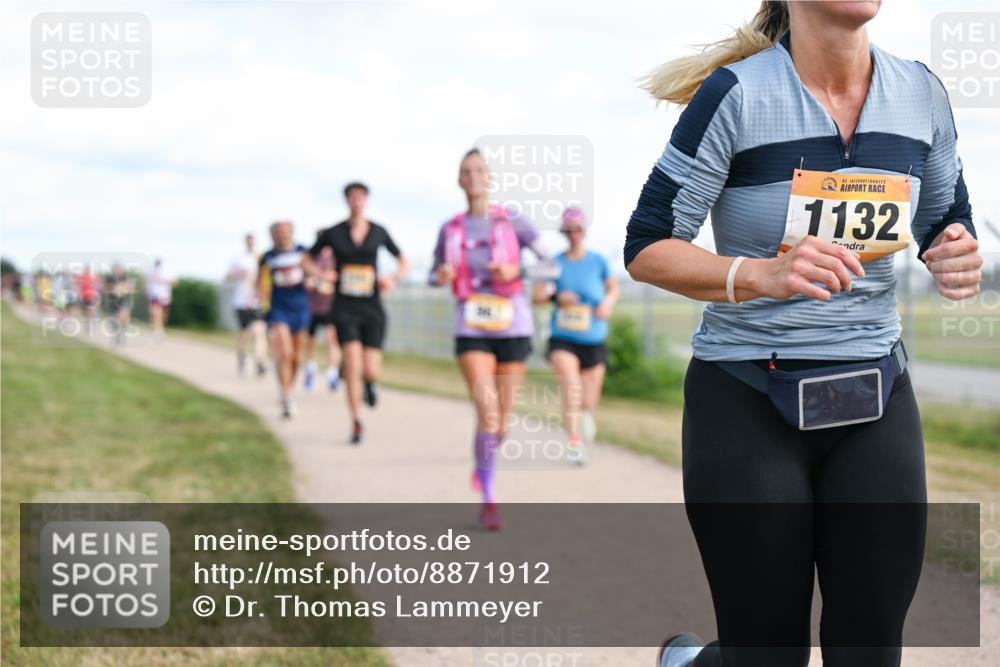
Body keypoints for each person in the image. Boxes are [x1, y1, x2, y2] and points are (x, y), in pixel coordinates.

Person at [625, 3, 982, 667]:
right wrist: (762, 272)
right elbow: (648, 245)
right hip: (745, 395)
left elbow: (944, 216)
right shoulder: (736, 95)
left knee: (869, 651)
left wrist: (954, 246)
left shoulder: (920, 93)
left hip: (873, 392)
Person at [430, 148, 548, 530]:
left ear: (490, 178)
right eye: (467, 171)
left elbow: (551, 263)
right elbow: (435, 272)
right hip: (472, 325)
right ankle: (490, 498)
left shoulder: (512, 220)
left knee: (501, 423)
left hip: (513, 325)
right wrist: (441, 277)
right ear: (460, 181)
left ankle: (482, 463)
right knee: (488, 411)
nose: (474, 176)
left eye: (480, 170)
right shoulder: (450, 228)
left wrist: (516, 268)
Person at [311, 182, 407, 444]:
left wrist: (394, 278)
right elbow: (307, 259)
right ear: (346, 200)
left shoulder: (378, 231)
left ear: (366, 200)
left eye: (361, 196)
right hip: (344, 307)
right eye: (352, 197)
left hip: (372, 307)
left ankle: (370, 384)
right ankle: (356, 422)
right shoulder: (334, 232)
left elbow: (402, 258)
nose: (356, 201)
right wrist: (322, 276)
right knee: (352, 365)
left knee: (370, 368)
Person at [532, 207, 618, 465]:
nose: (573, 234)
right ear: (563, 232)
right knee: (571, 389)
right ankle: (574, 443)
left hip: (594, 339)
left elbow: (612, 290)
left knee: (589, 399)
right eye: (568, 230)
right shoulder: (553, 263)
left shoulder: (599, 261)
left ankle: (586, 414)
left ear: (584, 231)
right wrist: (557, 296)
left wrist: (607, 303)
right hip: (562, 338)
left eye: (577, 229)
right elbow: (536, 297)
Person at [258, 221, 325, 419]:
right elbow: (260, 282)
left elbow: (316, 273)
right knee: (285, 352)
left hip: (301, 307)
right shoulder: (267, 257)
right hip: (279, 309)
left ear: (292, 233)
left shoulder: (302, 252)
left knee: (296, 356)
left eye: (286, 232)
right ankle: (286, 397)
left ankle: (288, 387)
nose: (283, 235)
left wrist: (311, 272)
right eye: (279, 232)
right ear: (272, 235)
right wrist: (261, 301)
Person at [226, 233, 268, 377]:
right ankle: (242, 358)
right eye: (249, 242)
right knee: (243, 334)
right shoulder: (238, 259)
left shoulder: (260, 259)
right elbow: (228, 276)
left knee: (259, 331)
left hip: (255, 301)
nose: (251, 244)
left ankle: (259, 361)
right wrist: (239, 274)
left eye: (253, 242)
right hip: (241, 301)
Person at [303, 243, 342, 392]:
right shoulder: (312, 259)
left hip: (330, 308)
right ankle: (310, 370)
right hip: (313, 308)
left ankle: (332, 373)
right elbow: (308, 282)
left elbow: (336, 277)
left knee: (332, 340)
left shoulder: (336, 258)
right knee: (311, 343)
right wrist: (317, 281)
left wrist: (322, 278)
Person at [104, 263, 135, 346]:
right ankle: (116, 335)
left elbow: (130, 287)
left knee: (124, 317)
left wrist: (123, 289)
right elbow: (106, 288)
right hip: (113, 301)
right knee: (115, 320)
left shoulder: (126, 277)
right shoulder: (109, 278)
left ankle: (122, 334)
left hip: (124, 301)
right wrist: (114, 288)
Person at [147, 259, 175, 339]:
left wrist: (164, 281)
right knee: (156, 313)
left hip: (165, 296)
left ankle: (160, 329)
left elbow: (174, 283)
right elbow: (147, 284)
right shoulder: (150, 272)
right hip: (154, 296)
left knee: (163, 315)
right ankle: (157, 330)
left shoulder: (167, 272)